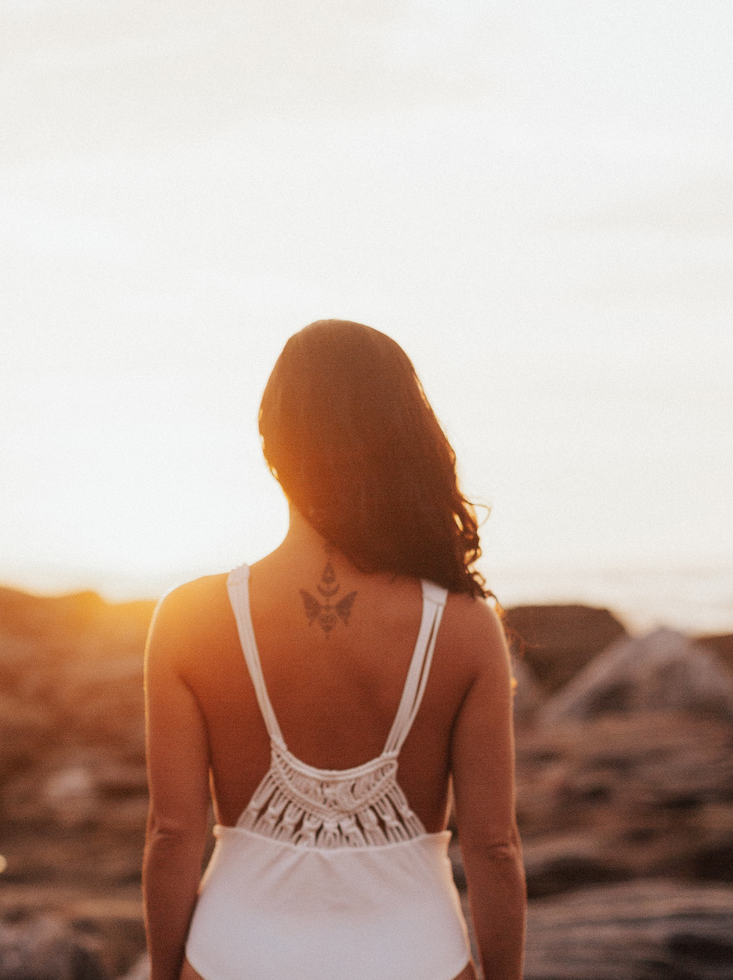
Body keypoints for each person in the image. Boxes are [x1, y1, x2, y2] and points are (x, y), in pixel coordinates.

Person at [143, 320, 525, 980]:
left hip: (233, 953)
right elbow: (494, 847)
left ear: (271, 443)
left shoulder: (190, 618)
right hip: (418, 955)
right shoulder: (464, 626)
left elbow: (172, 833)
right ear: (403, 439)